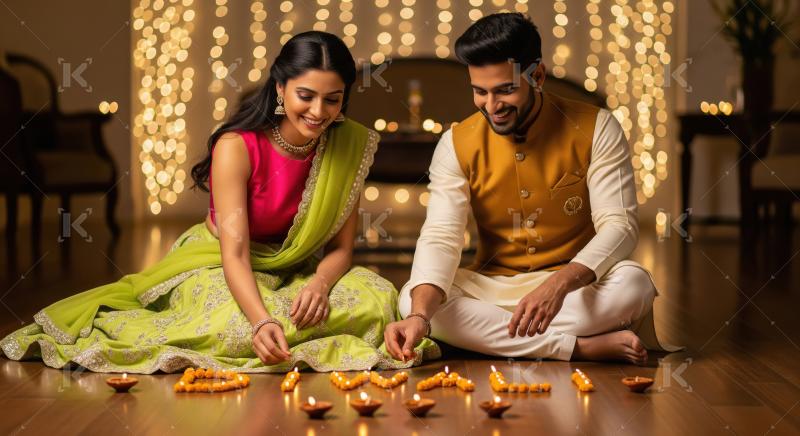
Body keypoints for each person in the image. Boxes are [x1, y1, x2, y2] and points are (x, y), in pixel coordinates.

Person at [0, 31, 438, 373]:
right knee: (232, 323)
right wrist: (262, 321)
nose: (319, 112)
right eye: (306, 95)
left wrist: (319, 285)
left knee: (380, 299)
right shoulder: (238, 146)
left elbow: (342, 249)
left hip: (299, 267)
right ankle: (269, 331)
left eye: (333, 99)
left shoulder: (349, 144)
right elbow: (237, 252)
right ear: (281, 88)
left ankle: (286, 327)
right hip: (219, 262)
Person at [383, 13, 677, 365]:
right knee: (412, 301)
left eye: (505, 90)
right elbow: (442, 236)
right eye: (480, 92)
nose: (492, 107)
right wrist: (419, 318)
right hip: (492, 287)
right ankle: (578, 348)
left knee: (634, 286)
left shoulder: (598, 127)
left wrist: (559, 285)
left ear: (536, 76)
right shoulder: (455, 142)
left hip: (573, 289)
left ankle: (490, 338)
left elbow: (620, 226)